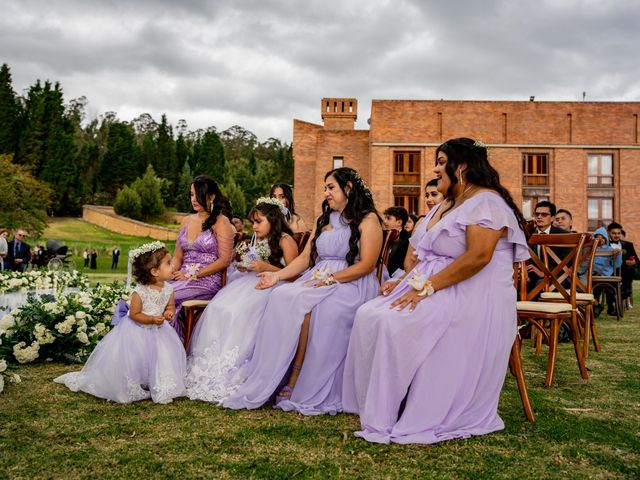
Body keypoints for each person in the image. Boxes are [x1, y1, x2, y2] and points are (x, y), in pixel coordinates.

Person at [342, 137, 530, 445]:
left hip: (475, 293)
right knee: (368, 313)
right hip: (441, 285)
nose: (436, 168)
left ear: (462, 167)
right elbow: (424, 255)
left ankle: (407, 408)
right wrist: (406, 282)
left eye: (442, 162)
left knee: (394, 322)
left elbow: (478, 257)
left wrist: (427, 289)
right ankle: (387, 405)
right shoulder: (448, 204)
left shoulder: (486, 203)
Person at [221, 167, 382, 415]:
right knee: (282, 295)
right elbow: (305, 258)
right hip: (318, 277)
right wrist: (277, 275)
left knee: (319, 308)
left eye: (331, 187)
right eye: (326, 188)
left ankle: (299, 378)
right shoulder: (325, 220)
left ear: (348, 188)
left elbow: (367, 264)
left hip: (352, 282)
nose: (326, 192)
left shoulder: (368, 219)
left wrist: (330, 279)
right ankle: (275, 373)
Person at [186, 198, 299, 403]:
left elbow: (294, 274)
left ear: (273, 221)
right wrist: (246, 265)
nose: (254, 227)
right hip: (250, 282)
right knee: (219, 307)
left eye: (258, 222)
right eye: (253, 222)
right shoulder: (258, 240)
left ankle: (237, 368)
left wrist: (265, 267)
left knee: (239, 312)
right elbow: (256, 263)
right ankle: (211, 365)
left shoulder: (285, 240)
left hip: (276, 286)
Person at [54, 242, 186, 404]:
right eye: (168, 263)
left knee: (161, 357)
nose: (173, 265)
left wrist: (168, 312)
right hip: (138, 330)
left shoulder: (169, 289)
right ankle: (133, 382)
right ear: (155, 271)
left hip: (160, 331)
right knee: (135, 358)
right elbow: (135, 314)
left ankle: (159, 382)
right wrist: (151, 319)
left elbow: (170, 305)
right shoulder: (140, 292)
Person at [169, 175, 235, 340]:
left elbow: (225, 260)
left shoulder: (221, 222)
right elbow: (178, 256)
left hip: (207, 281)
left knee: (163, 296)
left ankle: (174, 348)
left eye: (199, 194)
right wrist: (169, 272)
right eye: (191, 194)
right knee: (151, 290)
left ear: (212, 196)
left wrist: (194, 275)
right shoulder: (186, 221)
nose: (194, 199)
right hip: (181, 277)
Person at [382, 206, 410, 277]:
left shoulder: (408, 238)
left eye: (388, 218)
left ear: (399, 222)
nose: (384, 221)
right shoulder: (383, 236)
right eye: (385, 218)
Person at [620, 229, 638, 309]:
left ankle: (625, 293)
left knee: (630, 270)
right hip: (613, 270)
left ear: (624, 237)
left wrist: (634, 262)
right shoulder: (609, 245)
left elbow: (637, 260)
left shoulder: (629, 245)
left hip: (626, 271)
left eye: (620, 235)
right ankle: (623, 294)